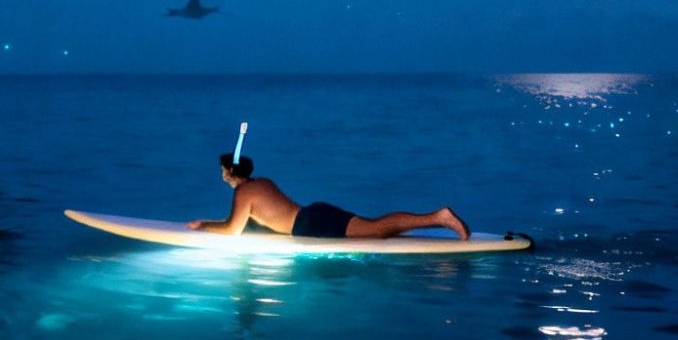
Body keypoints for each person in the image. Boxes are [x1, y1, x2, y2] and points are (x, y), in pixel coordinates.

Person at [188, 153, 469, 240]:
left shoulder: (243, 192)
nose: (221, 173)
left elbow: (232, 229)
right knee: (374, 226)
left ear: (228, 171)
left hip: (311, 225)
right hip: (314, 213)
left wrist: (204, 226)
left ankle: (439, 217)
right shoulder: (261, 183)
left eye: (222, 170)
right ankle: (436, 218)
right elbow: (256, 219)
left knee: (376, 230)